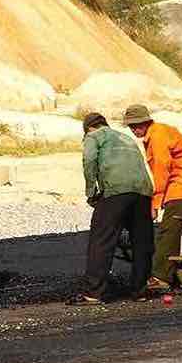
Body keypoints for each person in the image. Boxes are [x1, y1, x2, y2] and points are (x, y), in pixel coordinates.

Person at [74, 111, 156, 305]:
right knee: (142, 242)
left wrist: (91, 191)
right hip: (143, 191)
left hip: (116, 190)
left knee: (101, 240)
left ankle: (93, 293)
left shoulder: (93, 136)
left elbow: (89, 160)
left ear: (89, 128)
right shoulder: (126, 137)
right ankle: (140, 291)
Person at [126, 103, 182, 294]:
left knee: (169, 231)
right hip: (181, 183)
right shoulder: (158, 132)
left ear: (146, 122)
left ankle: (160, 277)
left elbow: (161, 171)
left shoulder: (157, 137)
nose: (134, 129)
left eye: (137, 125)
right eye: (131, 126)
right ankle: (168, 273)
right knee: (171, 230)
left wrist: (155, 203)